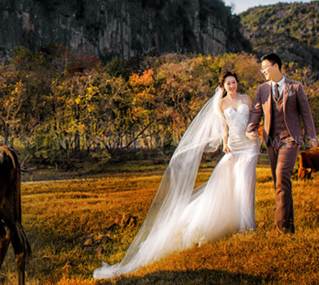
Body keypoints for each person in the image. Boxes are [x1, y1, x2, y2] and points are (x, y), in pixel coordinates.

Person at [93, 71, 259, 279]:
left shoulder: (246, 99)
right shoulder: (221, 104)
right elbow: (224, 128)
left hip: (250, 145)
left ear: (237, 83)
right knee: (229, 182)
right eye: (228, 83)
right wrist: (225, 144)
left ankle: (245, 224)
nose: (232, 86)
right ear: (223, 86)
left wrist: (256, 131)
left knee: (246, 182)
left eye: (234, 82)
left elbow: (255, 118)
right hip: (233, 146)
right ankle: (237, 224)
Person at [245, 53, 318, 234]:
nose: (263, 71)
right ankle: (289, 226)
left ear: (276, 66)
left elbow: (306, 114)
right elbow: (256, 111)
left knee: (281, 176)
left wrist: (312, 137)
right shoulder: (262, 89)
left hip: (290, 139)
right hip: (271, 140)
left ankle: (281, 229)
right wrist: (250, 128)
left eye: (265, 67)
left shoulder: (296, 87)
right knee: (281, 183)